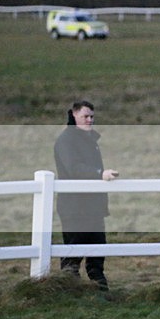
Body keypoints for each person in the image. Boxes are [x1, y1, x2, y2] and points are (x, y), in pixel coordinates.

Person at [53, 101, 119, 290]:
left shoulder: (89, 140)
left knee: (97, 253)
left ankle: (101, 292)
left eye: (92, 116)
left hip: (93, 207)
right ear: (74, 115)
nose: (90, 120)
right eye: (85, 116)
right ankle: (69, 294)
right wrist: (100, 174)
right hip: (75, 208)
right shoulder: (66, 141)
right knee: (72, 257)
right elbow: (74, 168)